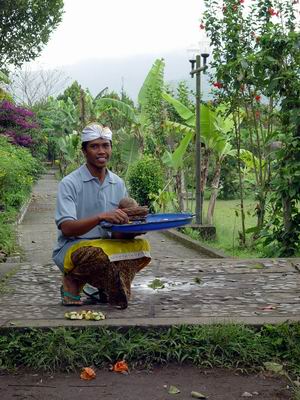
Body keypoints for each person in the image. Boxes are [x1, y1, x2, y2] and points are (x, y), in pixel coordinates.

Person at [52, 123, 151, 309]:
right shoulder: (70, 183)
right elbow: (66, 228)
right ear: (84, 151)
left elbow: (117, 234)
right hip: (74, 246)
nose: (101, 151)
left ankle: (108, 287)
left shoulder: (118, 183)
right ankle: (72, 280)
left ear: (111, 148)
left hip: (108, 244)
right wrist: (101, 217)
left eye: (105, 145)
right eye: (94, 146)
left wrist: (134, 228)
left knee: (141, 247)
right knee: (99, 255)